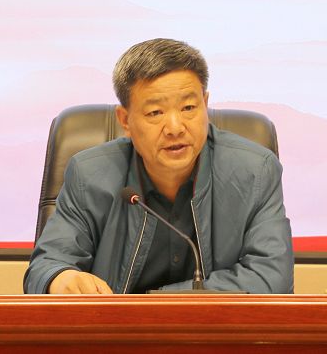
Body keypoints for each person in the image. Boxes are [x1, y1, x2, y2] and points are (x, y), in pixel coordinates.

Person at [24, 38, 293, 294]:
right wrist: (60, 278)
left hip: (214, 326)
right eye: (155, 112)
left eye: (189, 108)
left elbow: (270, 278)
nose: (175, 128)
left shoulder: (255, 172)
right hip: (115, 327)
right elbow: (46, 266)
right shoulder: (89, 175)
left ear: (206, 104)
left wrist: (152, 301)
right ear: (125, 120)